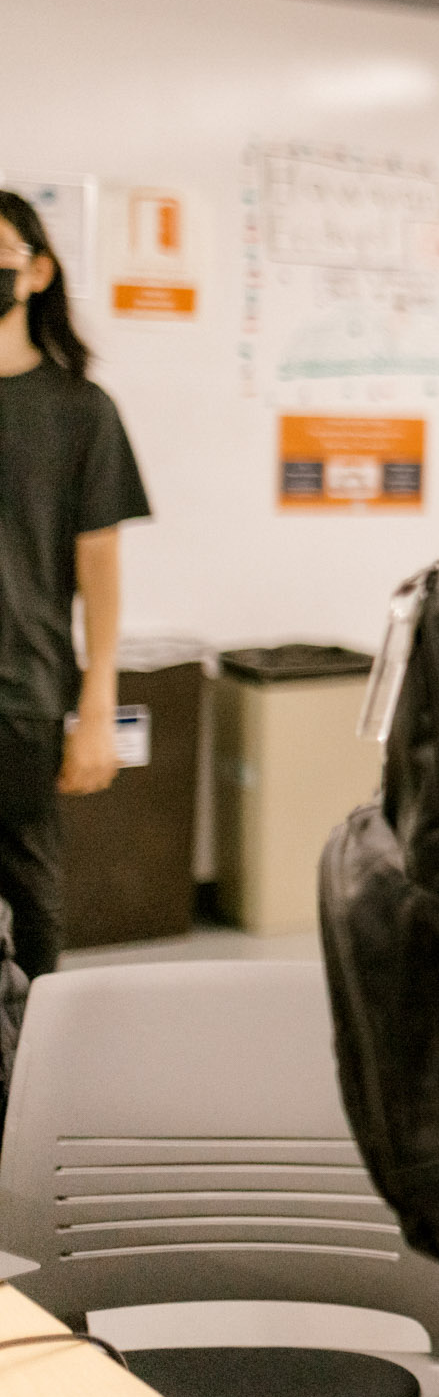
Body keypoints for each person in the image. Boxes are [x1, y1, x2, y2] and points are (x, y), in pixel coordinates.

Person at [0, 191, 150, 980]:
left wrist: (97, 708)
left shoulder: (80, 411)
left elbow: (100, 578)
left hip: (20, 693)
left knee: (32, 903)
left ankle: (35, 1085)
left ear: (39, 271)